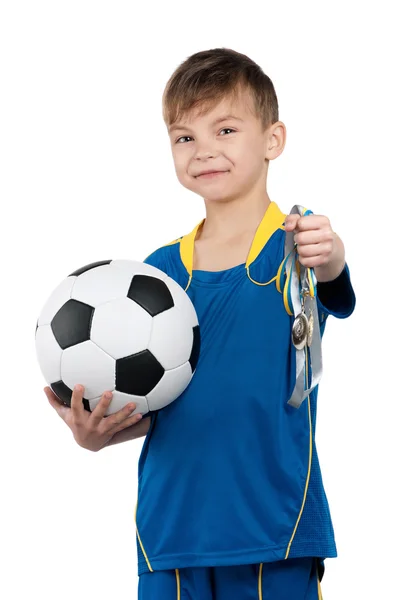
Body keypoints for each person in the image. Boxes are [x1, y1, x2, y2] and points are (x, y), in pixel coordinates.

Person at [45, 48, 356, 599]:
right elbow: (161, 408)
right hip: (170, 535)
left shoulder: (295, 247)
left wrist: (328, 251)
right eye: (185, 137)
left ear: (272, 140)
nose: (204, 151)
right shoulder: (156, 276)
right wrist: (99, 433)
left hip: (273, 531)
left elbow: (332, 277)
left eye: (227, 129)